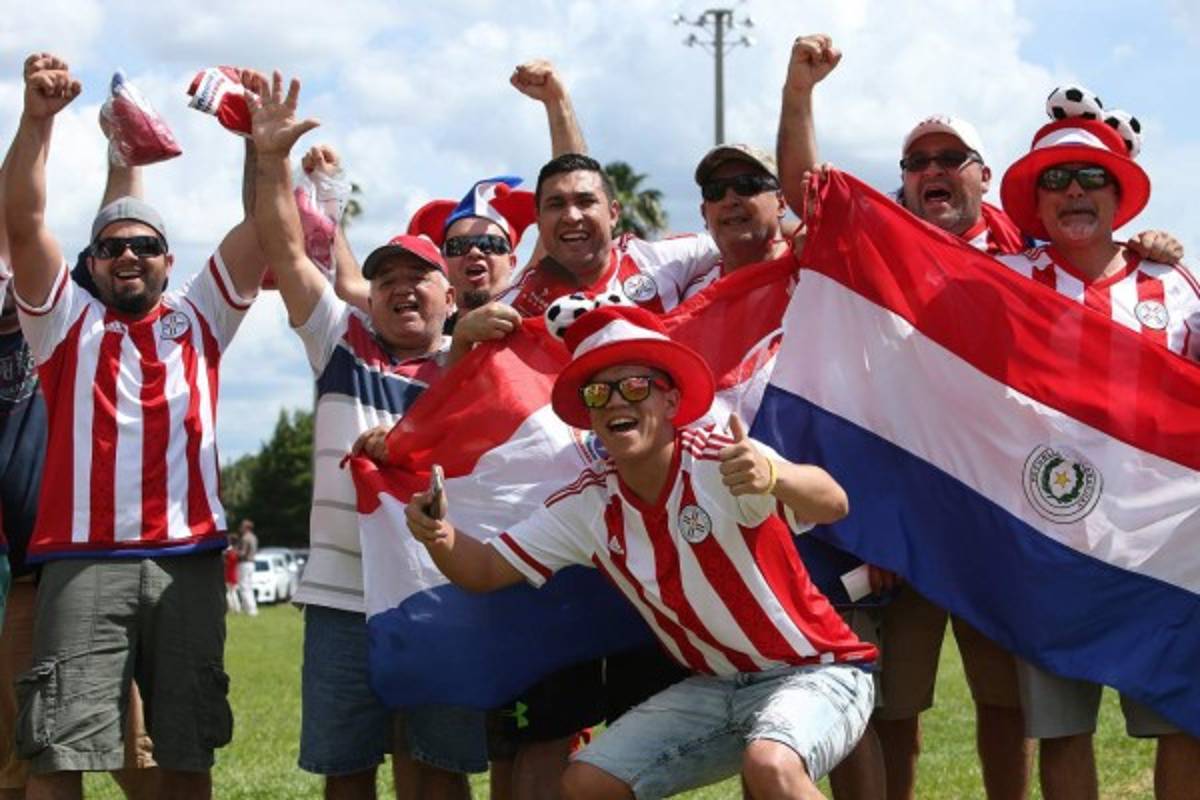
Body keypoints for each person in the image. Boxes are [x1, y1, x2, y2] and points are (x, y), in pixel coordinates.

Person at [775, 33, 1186, 800]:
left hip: (1086, 531)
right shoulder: (967, 268)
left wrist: (1152, 250)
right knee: (941, 708)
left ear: (984, 175)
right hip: (965, 512)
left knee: (1036, 706)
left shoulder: (1074, 266)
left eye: (950, 159)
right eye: (918, 163)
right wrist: (799, 91)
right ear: (903, 179)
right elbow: (810, 208)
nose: (934, 172)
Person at [404, 301, 876, 799]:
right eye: (598, 393)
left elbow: (834, 502)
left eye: (634, 387)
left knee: (771, 766)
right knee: (588, 782)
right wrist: (440, 535)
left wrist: (775, 476)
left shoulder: (720, 461)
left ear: (671, 401)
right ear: (588, 416)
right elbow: (484, 569)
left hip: (819, 670)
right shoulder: (590, 503)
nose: (615, 403)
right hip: (719, 687)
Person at [4, 53, 265, 799]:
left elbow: (259, 228)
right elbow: (21, 222)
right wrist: (37, 119)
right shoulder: (63, 324)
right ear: (91, 261)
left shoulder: (199, 316)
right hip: (81, 560)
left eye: (144, 245)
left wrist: (258, 142)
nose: (128, 254)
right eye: (112, 245)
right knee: (58, 753)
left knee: (186, 751)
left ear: (166, 260)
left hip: (188, 561)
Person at [246, 69, 487, 799]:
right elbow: (286, 250)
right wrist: (269, 160)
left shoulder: (476, 366)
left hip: (439, 591)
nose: (402, 287)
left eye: (420, 276)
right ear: (368, 294)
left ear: (452, 295)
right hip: (340, 597)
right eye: (386, 278)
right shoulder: (339, 344)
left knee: (439, 766)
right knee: (345, 768)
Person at [995, 113, 1200, 800]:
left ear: (1119, 196)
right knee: (1060, 729)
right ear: (1036, 198)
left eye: (1093, 177)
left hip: (1161, 547)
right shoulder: (999, 280)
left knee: (1184, 717)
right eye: (1056, 179)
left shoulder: (1172, 283)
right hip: (1047, 544)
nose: (1075, 190)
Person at [237, 519, 259, 616]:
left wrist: (233, 551)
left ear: (246, 528)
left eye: (242, 526)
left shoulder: (245, 538)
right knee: (249, 586)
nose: (240, 528)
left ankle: (250, 610)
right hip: (252, 563)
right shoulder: (254, 537)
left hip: (245, 563)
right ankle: (252, 608)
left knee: (244, 587)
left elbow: (243, 553)